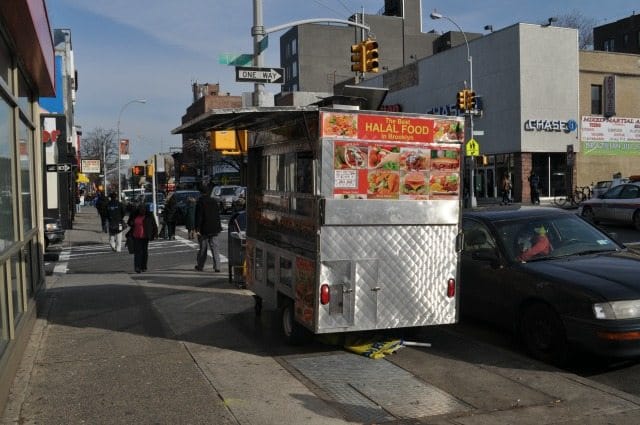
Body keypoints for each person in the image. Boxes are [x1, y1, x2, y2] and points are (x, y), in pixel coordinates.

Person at [194, 186, 222, 272]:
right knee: (215, 247)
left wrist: (197, 229)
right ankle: (217, 266)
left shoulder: (200, 202)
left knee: (203, 248)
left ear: (201, 193)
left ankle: (200, 265)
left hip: (204, 228)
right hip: (214, 228)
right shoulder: (214, 201)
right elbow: (217, 215)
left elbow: (199, 217)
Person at [127, 203, 158, 273]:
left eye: (143, 210)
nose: (141, 212)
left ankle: (144, 266)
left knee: (144, 252)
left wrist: (155, 234)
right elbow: (129, 222)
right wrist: (131, 223)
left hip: (145, 236)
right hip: (136, 236)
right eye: (140, 210)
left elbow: (154, 225)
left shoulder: (149, 215)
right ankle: (137, 267)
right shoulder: (134, 214)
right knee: (138, 252)